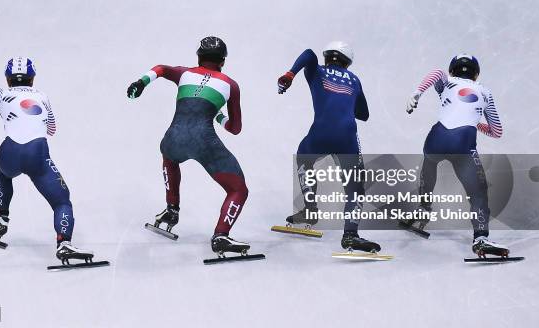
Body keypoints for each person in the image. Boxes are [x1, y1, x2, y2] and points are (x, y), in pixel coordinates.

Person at [0, 57, 94, 263]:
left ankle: (1, 219)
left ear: (8, 79)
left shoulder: (1, 93)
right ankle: (64, 244)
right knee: (62, 201)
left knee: (3, 174)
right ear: (32, 79)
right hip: (37, 154)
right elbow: (52, 130)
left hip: (8, 153)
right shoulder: (42, 96)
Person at [127, 36, 251, 256]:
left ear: (198, 56)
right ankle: (221, 235)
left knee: (170, 157)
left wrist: (141, 82)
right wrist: (219, 117)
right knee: (238, 189)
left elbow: (162, 68)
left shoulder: (184, 73)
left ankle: (171, 210)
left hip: (173, 138)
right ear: (223, 61)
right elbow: (235, 129)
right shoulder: (230, 85)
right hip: (205, 141)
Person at [277, 42, 380, 253]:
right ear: (347, 62)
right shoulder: (354, 79)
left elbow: (307, 53)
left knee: (304, 157)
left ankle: (310, 210)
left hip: (320, 134)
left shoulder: (317, 71)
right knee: (355, 186)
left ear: (327, 58)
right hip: (347, 137)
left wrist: (291, 74)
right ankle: (351, 235)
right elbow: (364, 115)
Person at [405, 53, 508, 257]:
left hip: (436, 138)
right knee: (478, 192)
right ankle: (480, 238)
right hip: (464, 144)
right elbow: (497, 132)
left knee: (429, 164)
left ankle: (423, 209)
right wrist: (474, 121)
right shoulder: (485, 92)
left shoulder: (447, 82)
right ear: (476, 75)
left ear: (452, 71)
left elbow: (436, 73)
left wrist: (417, 92)